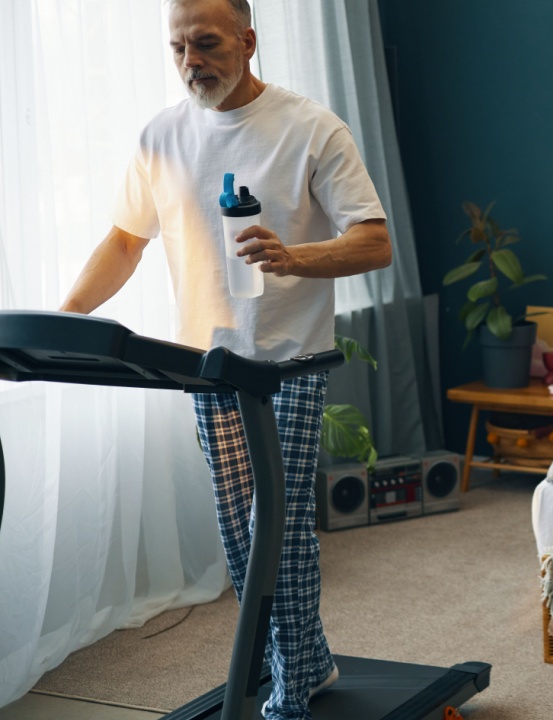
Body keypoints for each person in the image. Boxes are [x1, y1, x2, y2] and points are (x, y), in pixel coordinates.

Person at [58, 1, 391, 718]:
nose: (190, 63)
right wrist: (66, 321)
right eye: (177, 49)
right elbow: (124, 243)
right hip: (208, 366)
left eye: (205, 44)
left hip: (290, 363)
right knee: (241, 532)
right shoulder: (161, 137)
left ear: (247, 40)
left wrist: (291, 254)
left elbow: (374, 240)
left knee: (280, 525)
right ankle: (310, 659)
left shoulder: (309, 128)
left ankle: (290, 688)